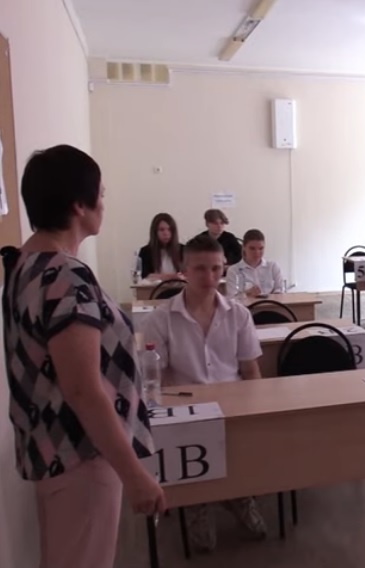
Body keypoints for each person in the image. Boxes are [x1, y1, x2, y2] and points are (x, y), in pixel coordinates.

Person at [1, 145, 164, 568]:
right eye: (101, 194)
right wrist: (134, 474)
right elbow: (82, 388)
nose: (103, 204)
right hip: (80, 456)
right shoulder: (64, 275)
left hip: (51, 452)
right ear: (79, 204)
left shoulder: (25, 265)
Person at [142, 235, 265, 552]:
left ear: (223, 268)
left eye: (215, 268)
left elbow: (250, 371)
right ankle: (198, 501)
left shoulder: (238, 315)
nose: (209, 277)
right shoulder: (161, 319)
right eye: (199, 269)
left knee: (243, 459)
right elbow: (158, 380)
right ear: (183, 270)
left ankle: (238, 494)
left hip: (233, 408)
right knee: (203, 544)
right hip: (186, 415)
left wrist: (257, 411)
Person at [225, 229, 285, 298]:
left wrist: (275, 295)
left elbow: (280, 290)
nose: (257, 252)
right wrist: (246, 294)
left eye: (261, 248)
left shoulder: (273, 267)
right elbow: (231, 297)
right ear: (244, 247)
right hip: (245, 304)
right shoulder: (234, 270)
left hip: (271, 304)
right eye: (252, 248)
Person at [138, 212, 184, 280]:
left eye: (169, 229)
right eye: (162, 230)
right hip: (154, 286)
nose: (166, 233)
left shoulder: (183, 249)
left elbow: (187, 274)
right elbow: (145, 276)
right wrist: (173, 276)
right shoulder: (145, 251)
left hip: (180, 286)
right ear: (155, 232)